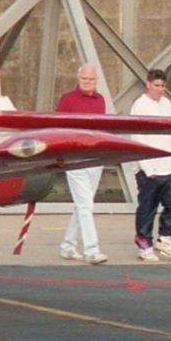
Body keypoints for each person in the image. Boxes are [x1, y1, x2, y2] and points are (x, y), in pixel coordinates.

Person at [129, 68, 171, 262]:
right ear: (148, 84)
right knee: (148, 208)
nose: (160, 89)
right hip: (150, 168)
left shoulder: (167, 104)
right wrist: (146, 167)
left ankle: (166, 238)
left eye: (162, 86)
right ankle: (144, 244)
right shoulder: (139, 105)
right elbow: (136, 137)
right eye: (156, 86)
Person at [57, 64, 107, 264]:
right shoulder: (68, 99)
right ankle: (91, 250)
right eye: (85, 79)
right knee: (86, 205)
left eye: (91, 80)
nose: (88, 83)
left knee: (83, 205)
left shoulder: (101, 100)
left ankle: (68, 246)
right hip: (75, 157)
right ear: (78, 79)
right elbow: (57, 128)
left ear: (96, 81)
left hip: (95, 158)